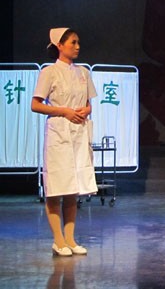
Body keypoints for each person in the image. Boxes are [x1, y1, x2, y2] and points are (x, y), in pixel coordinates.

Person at [31, 28, 97, 257]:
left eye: (78, 42)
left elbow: (89, 104)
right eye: (73, 42)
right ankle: (58, 241)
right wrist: (64, 111)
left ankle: (70, 239)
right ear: (60, 45)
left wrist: (85, 110)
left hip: (78, 133)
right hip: (58, 133)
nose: (77, 46)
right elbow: (35, 104)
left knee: (72, 189)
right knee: (56, 188)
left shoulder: (83, 72)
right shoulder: (49, 72)